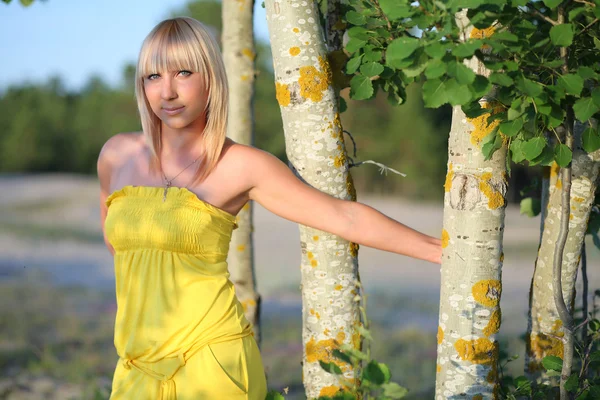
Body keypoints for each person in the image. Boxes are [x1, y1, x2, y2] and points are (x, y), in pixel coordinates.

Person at [98, 16, 442, 400]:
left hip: (212, 362)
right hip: (136, 367)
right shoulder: (116, 155)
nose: (168, 92)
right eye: (153, 77)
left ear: (210, 78)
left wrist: (442, 251)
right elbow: (123, 251)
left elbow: (344, 216)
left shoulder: (241, 165)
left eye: (183, 72)